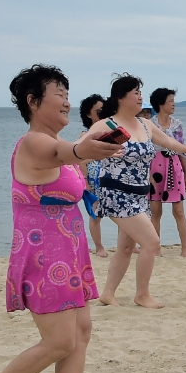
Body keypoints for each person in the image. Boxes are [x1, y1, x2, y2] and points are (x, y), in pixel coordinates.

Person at [0, 64, 124, 373]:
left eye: (68, 95)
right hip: (44, 258)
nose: (67, 102)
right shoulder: (33, 142)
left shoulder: (56, 144)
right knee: (59, 341)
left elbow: (71, 154)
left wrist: (95, 149)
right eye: (59, 94)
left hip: (68, 254)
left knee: (81, 331)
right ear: (33, 101)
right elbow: (63, 151)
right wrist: (83, 149)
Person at [83, 74, 186, 309]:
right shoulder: (106, 125)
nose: (140, 97)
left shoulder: (146, 125)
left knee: (126, 248)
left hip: (140, 195)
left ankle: (108, 293)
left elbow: (169, 143)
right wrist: (100, 153)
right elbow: (79, 151)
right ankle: (142, 295)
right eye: (135, 92)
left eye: (140, 92)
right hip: (117, 194)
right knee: (151, 242)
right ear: (120, 97)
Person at [147, 88, 186, 258]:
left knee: (179, 211)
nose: (173, 104)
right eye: (170, 101)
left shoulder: (177, 124)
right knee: (155, 211)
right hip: (155, 168)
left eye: (173, 101)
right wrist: (147, 174)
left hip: (174, 166)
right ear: (160, 103)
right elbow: (146, 152)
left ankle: (185, 248)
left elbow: (181, 150)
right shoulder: (149, 125)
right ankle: (156, 248)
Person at [77, 93, 109, 258]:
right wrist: (85, 182)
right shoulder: (86, 135)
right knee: (96, 213)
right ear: (89, 114)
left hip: (111, 175)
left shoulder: (110, 131)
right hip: (95, 178)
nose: (102, 113)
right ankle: (99, 247)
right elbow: (79, 159)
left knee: (122, 211)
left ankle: (128, 245)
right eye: (98, 111)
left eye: (104, 109)